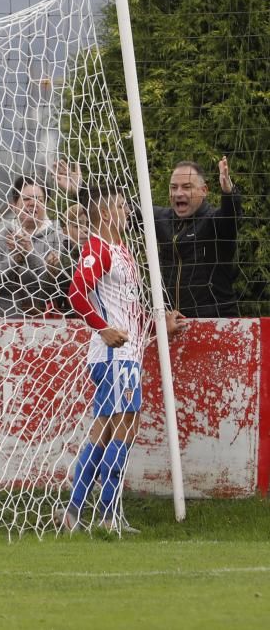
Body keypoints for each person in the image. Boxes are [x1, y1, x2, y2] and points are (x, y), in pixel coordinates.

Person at [59, 184, 184, 533]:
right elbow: (75, 291)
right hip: (115, 357)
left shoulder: (122, 251)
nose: (127, 212)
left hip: (124, 354)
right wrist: (101, 329)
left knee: (104, 433)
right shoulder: (98, 249)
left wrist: (162, 327)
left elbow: (130, 315)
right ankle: (109, 516)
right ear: (104, 212)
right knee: (125, 430)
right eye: (120, 206)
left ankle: (73, 513)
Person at [154, 157, 241, 317]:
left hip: (216, 322)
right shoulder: (161, 219)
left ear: (204, 190)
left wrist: (229, 192)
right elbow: (120, 211)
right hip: (172, 323)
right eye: (174, 187)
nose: (178, 193)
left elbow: (231, 216)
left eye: (187, 187)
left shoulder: (214, 222)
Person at [0, 176, 65, 318]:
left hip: (48, 325)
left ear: (46, 205)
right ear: (13, 204)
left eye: (39, 200)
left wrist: (30, 254)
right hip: (3, 323)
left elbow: (60, 286)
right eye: (26, 199)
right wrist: (14, 261)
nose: (33, 204)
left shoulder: (60, 237)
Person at [53, 203, 90, 315]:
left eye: (88, 225)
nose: (85, 229)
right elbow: (55, 302)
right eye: (77, 226)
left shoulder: (101, 251)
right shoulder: (60, 259)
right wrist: (51, 274)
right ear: (65, 230)